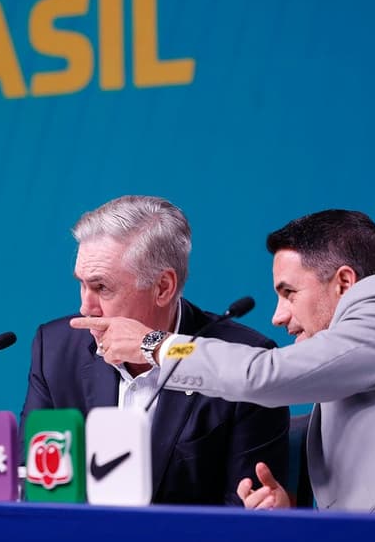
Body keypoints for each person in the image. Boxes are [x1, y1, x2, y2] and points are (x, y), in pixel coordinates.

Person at [74, 209, 375, 516]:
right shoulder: (347, 379)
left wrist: (157, 345)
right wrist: (289, 514)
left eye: (289, 292)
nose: (278, 315)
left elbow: (266, 375)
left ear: (345, 282)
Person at [19, 195, 290, 505]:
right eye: (81, 284)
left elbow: (242, 510)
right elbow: (34, 485)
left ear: (163, 288)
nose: (85, 306)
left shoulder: (245, 362)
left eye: (101, 287)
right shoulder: (55, 349)